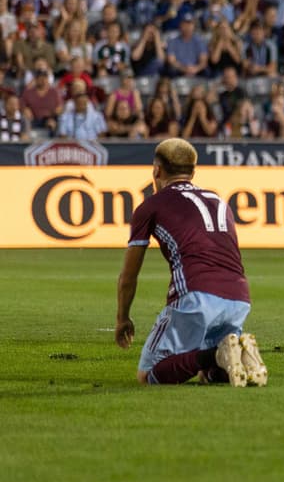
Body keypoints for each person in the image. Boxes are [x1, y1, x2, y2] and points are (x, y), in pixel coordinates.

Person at [114, 138, 267, 387]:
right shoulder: (218, 200)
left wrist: (123, 318)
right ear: (193, 172)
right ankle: (229, 357)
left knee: (148, 375)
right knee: (206, 375)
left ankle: (216, 354)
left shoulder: (150, 206)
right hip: (239, 296)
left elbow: (128, 276)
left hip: (196, 295)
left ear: (156, 170)